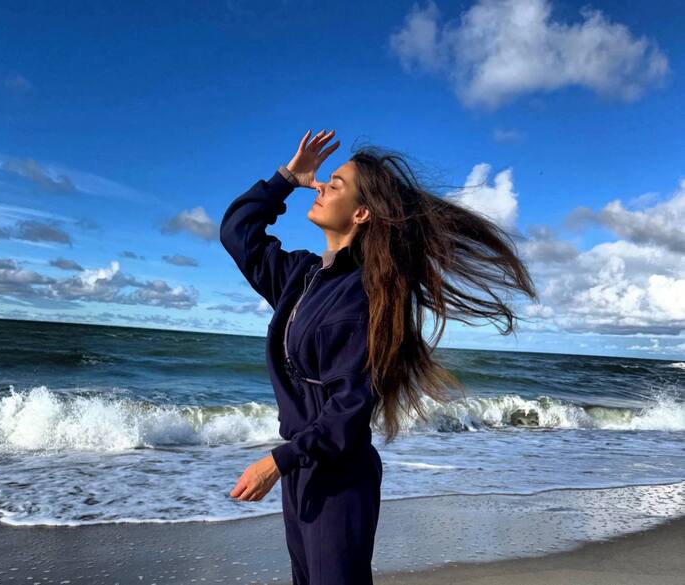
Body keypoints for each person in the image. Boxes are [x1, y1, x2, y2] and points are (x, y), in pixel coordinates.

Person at [219, 129, 538, 584]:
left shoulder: (368, 295)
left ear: (362, 212)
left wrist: (278, 461)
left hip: (338, 478)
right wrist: (287, 178)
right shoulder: (300, 277)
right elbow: (237, 232)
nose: (322, 187)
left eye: (336, 184)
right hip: (304, 473)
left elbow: (348, 409)